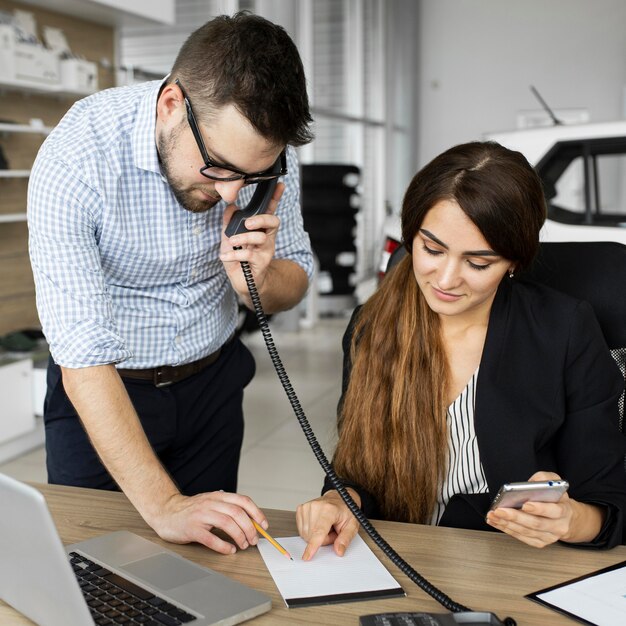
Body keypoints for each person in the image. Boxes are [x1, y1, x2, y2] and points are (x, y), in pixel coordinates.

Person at [27, 12, 314, 555]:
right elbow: (82, 358)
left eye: (251, 177)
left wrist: (258, 278)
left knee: (212, 568)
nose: (234, 195)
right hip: (106, 394)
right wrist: (164, 506)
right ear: (171, 106)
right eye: (219, 169)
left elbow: (294, 282)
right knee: (94, 569)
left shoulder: (266, 157)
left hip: (212, 387)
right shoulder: (77, 158)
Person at [296, 141, 626, 558]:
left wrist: (572, 519)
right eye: (431, 249)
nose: (446, 279)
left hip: (510, 563)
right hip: (398, 555)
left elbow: (609, 500)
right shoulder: (372, 325)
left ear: (514, 263)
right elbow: (358, 474)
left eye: (478, 262)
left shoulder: (564, 329)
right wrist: (339, 501)